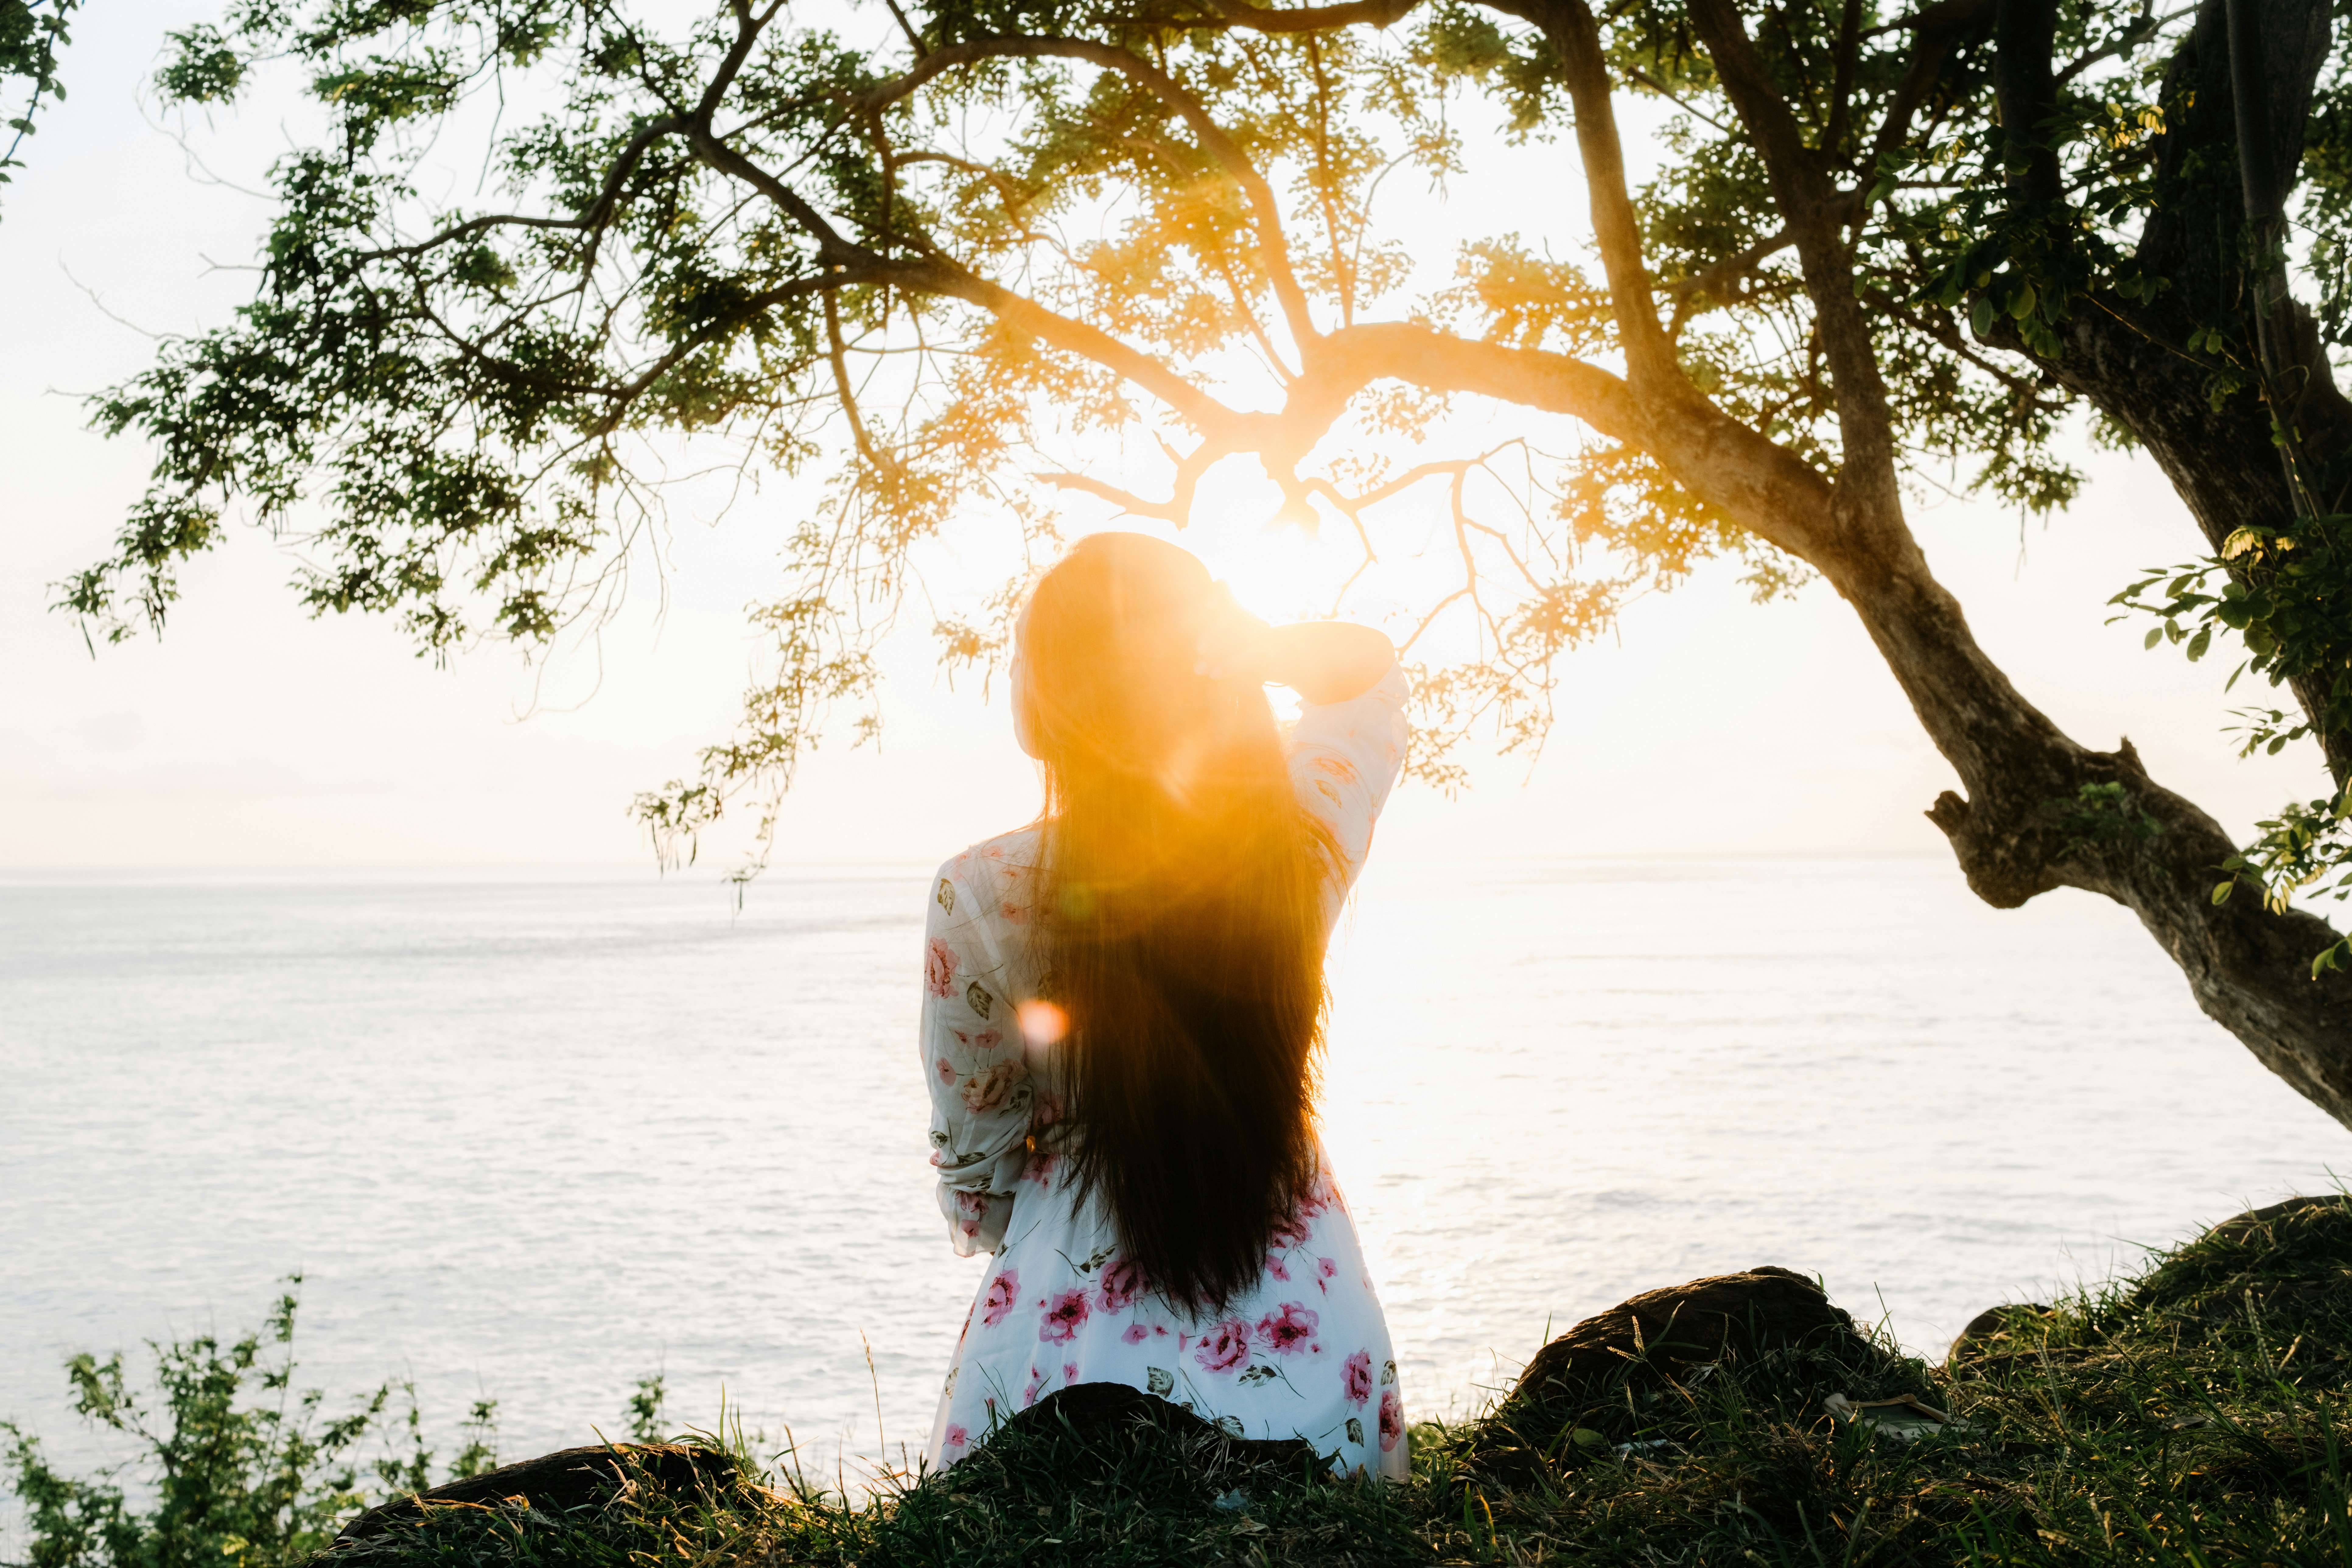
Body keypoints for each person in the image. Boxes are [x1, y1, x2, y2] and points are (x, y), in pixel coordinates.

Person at [916, 531, 1410, 1479]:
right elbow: (1370, 682)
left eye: (1028, 652)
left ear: (1061, 693)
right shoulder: (1292, 854)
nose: (1014, 670)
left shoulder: (979, 890)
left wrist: (1024, 1235)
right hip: (1315, 1346)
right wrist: (1242, 649)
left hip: (1068, 1355)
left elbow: (977, 1160)